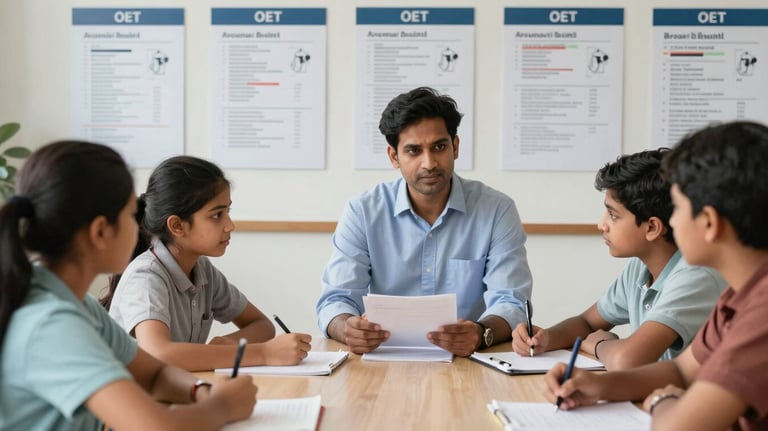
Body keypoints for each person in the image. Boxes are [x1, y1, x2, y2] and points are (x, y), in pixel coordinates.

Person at [0, 141, 256, 430]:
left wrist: (202, 391)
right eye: (129, 216)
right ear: (100, 232)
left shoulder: (74, 302)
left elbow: (155, 374)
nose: (140, 228)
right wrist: (222, 406)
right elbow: (154, 427)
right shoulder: (50, 323)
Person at [544, 121, 768, 430]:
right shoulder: (739, 296)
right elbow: (681, 371)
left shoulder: (762, 311)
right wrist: (597, 386)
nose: (671, 221)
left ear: (709, 222)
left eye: (677, 208)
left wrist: (664, 401)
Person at [316, 87, 533, 357]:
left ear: (455, 146)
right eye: (413, 151)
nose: (429, 163)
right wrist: (347, 329)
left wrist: (481, 333)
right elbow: (336, 300)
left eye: (439, 147)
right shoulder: (362, 212)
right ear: (394, 156)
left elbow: (511, 300)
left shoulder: (496, 210)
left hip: (469, 362)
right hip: (384, 360)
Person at [512, 149, 725, 370]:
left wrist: (601, 344)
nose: (601, 224)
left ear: (651, 227)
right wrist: (546, 338)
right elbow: (587, 322)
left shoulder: (696, 275)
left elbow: (627, 360)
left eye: (613, 215)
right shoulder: (640, 267)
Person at [106, 156, 311, 371]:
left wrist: (230, 344)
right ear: (177, 226)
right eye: (216, 215)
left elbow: (262, 326)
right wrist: (263, 353)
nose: (229, 225)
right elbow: (160, 354)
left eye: (228, 212)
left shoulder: (203, 271)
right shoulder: (146, 277)